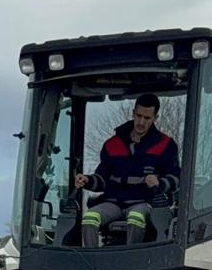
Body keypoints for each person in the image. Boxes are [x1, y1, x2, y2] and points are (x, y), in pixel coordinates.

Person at [73, 93, 181, 246]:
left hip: (144, 202)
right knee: (89, 218)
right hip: (113, 203)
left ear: (155, 118)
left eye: (147, 118)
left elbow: (176, 177)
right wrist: (87, 180)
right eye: (139, 116)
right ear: (133, 113)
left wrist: (160, 183)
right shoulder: (112, 144)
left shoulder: (165, 145)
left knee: (136, 217)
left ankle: (131, 257)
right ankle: (92, 258)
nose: (141, 122)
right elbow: (102, 178)